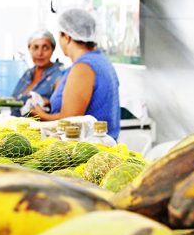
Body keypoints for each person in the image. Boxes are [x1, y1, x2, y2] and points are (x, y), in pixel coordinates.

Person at [31, 8, 121, 138]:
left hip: (90, 150)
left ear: (66, 37)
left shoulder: (83, 68)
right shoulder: (99, 60)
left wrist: (41, 115)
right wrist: (50, 103)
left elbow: (70, 122)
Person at [11, 29, 64, 115]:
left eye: (45, 48)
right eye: (35, 47)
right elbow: (14, 98)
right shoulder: (27, 74)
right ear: (29, 49)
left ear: (52, 50)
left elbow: (63, 107)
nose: (40, 53)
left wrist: (48, 102)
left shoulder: (59, 75)